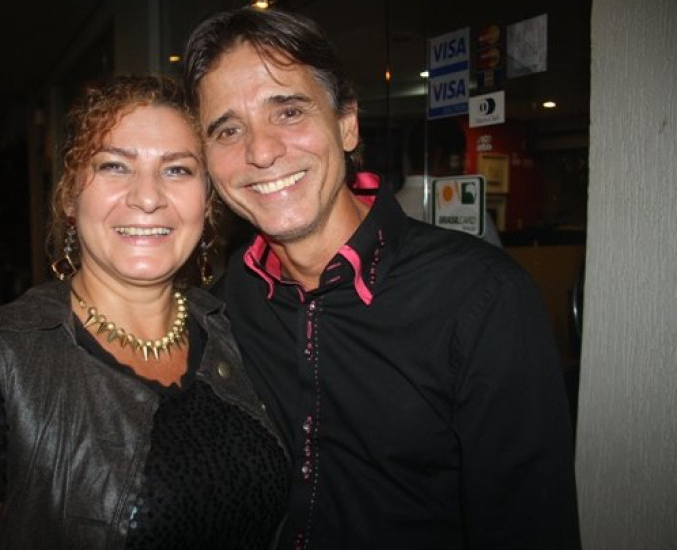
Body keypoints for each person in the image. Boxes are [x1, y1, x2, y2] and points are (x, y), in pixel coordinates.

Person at [184, 7, 579, 549]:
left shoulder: (481, 299)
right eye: (228, 130)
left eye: (289, 112)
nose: (261, 151)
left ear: (347, 123)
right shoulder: (223, 307)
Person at [0, 75, 288, 549]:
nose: (148, 197)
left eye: (177, 170)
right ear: (70, 196)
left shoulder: (238, 332)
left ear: (207, 200)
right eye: (114, 166)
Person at [397, 118, 502, 247]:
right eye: (461, 158)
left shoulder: (384, 210)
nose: (463, 167)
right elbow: (495, 258)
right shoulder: (471, 216)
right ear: (439, 156)